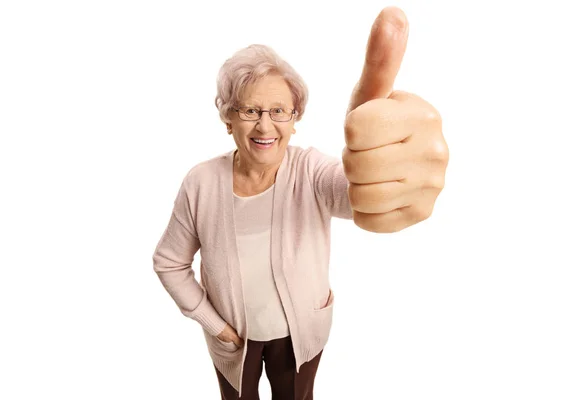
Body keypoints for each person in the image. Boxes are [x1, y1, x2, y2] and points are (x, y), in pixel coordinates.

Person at [152, 7, 448, 399]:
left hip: (300, 335)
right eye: (250, 110)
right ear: (228, 119)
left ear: (295, 119)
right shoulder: (201, 183)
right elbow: (169, 262)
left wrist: (378, 173)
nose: (265, 125)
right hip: (233, 341)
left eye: (279, 111)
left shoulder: (310, 170)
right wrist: (215, 325)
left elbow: (349, 190)